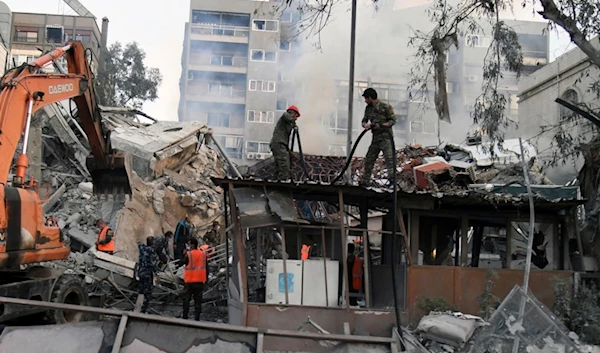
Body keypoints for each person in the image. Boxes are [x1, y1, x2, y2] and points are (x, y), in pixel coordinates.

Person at [360, 88, 396, 186]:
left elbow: (393, 121)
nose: (365, 101)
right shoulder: (368, 108)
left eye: (366, 98)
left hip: (386, 139)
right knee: (369, 159)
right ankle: (365, 180)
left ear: (370, 98)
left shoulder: (386, 107)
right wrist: (365, 125)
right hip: (375, 139)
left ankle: (392, 182)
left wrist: (383, 125)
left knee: (390, 160)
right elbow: (364, 120)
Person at [269, 105, 301, 180]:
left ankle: (276, 182)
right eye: (296, 116)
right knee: (284, 166)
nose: (296, 119)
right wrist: (294, 124)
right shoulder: (285, 116)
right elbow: (286, 115)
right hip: (279, 144)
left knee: (279, 167)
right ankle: (282, 184)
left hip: (280, 144)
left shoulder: (287, 123)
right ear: (292, 113)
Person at [181, 238, 208, 321]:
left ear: (192, 245)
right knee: (198, 301)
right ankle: (197, 318)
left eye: (189, 244)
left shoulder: (189, 254)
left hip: (189, 282)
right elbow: (207, 267)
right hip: (199, 281)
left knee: (186, 300)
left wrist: (183, 254)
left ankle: (185, 317)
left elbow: (182, 262)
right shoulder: (203, 254)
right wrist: (206, 280)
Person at [136, 236, 159, 313]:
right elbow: (152, 264)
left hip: (141, 272)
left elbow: (139, 245)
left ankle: (137, 308)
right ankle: (143, 310)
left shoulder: (142, 249)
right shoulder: (151, 252)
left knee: (141, 291)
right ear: (153, 243)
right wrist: (157, 274)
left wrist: (140, 243)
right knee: (148, 293)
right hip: (147, 274)